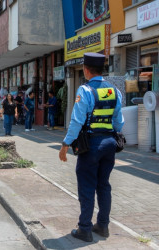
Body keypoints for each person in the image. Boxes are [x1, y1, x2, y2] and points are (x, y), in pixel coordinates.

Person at [59, 53, 124, 242]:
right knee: (104, 185)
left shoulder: (85, 90)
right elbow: (118, 121)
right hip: (109, 143)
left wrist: (65, 144)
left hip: (91, 145)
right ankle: (103, 226)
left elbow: (77, 121)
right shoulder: (114, 91)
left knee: (87, 186)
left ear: (86, 70)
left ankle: (85, 229)